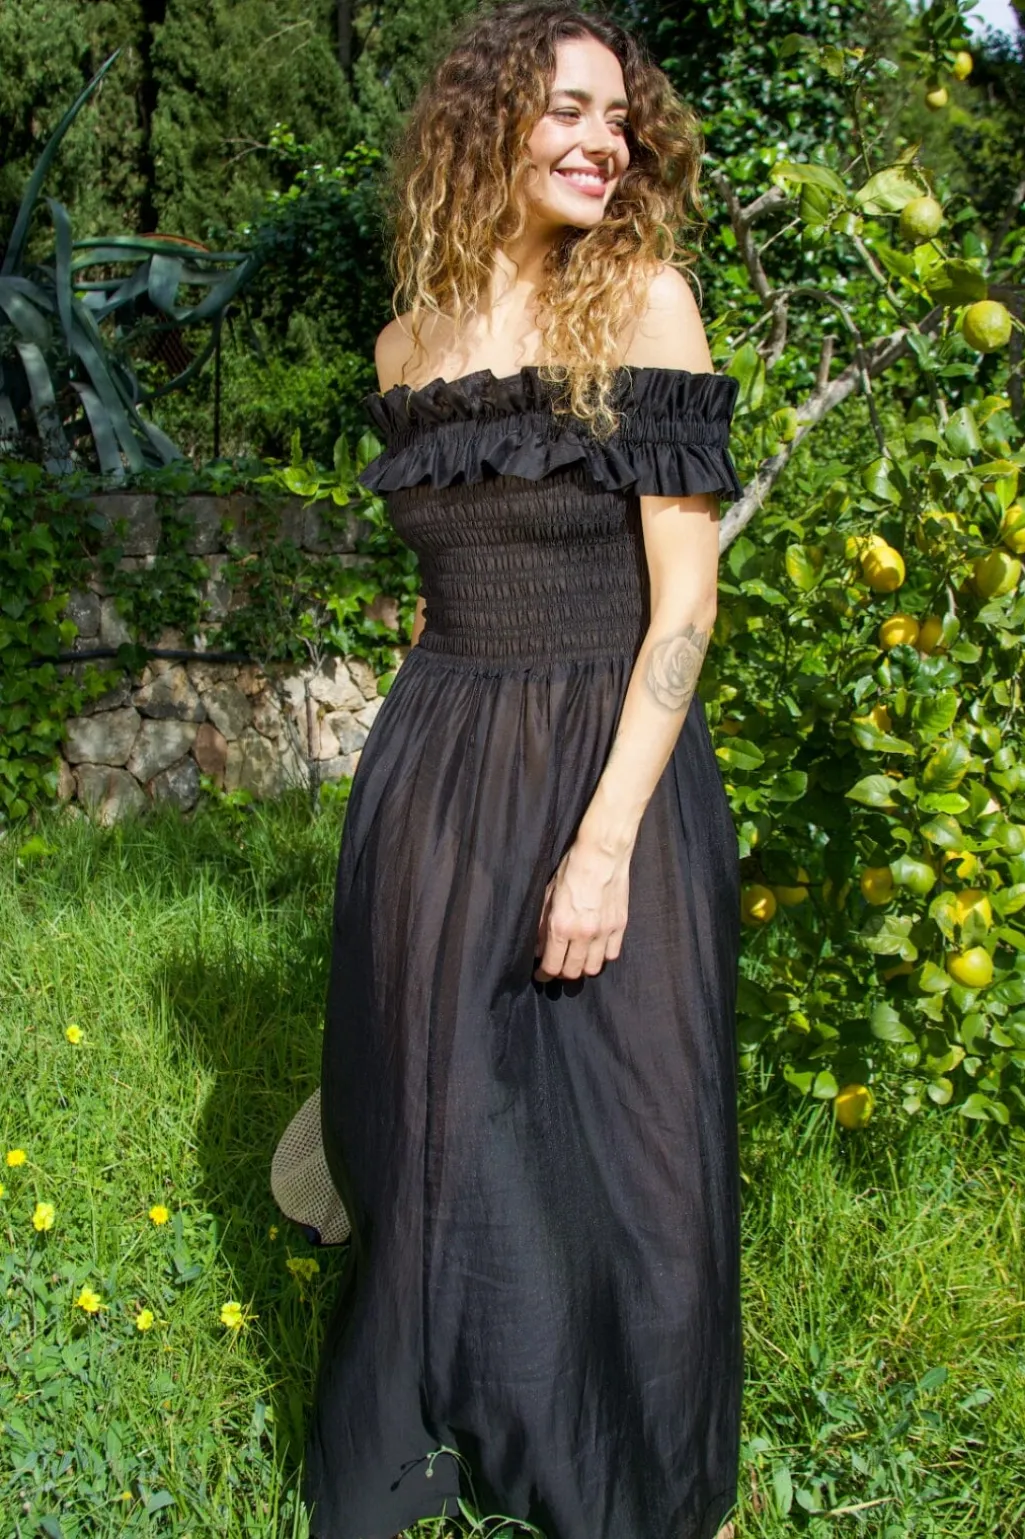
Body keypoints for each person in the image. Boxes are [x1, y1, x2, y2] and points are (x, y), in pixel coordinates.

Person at [300, 4, 744, 1536]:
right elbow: (440, 594)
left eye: (617, 116)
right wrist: (423, 789)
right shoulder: (403, 347)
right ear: (484, 122)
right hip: (440, 766)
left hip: (615, 764)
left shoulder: (647, 307)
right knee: (443, 1117)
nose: (602, 140)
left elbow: (684, 607)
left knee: (635, 1139)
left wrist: (604, 842)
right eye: (567, 107)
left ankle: (637, 1475)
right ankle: (464, 1427)